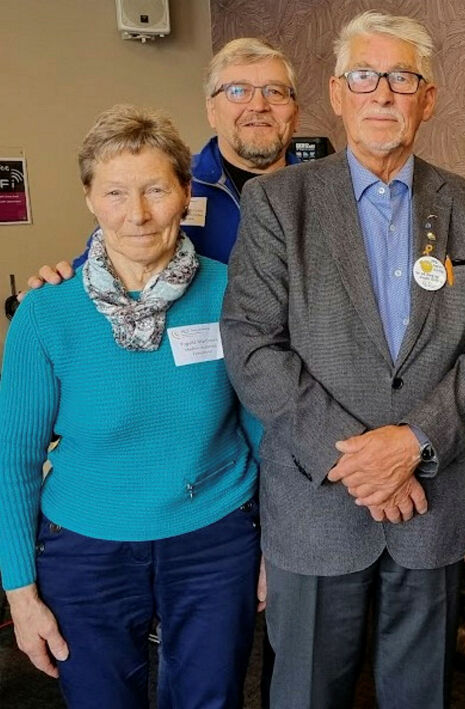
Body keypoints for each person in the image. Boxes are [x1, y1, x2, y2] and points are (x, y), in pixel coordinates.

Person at [219, 11, 465, 709]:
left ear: (429, 97)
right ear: (336, 91)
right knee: (304, 695)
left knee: (421, 696)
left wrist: (412, 443)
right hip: (318, 503)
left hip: (433, 501)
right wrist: (361, 460)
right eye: (365, 76)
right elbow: (252, 343)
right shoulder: (277, 203)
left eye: (402, 78)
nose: (383, 93)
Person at [0, 104, 260, 708]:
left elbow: (262, 427)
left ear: (184, 193)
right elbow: (12, 464)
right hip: (86, 551)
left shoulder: (232, 293)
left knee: (211, 699)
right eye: (115, 192)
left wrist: (273, 545)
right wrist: (20, 592)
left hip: (214, 539)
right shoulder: (47, 312)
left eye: (155, 190)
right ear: (90, 198)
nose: (138, 214)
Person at [24, 36, 302, 288]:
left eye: (275, 92)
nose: (258, 105)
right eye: (238, 91)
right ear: (211, 110)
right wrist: (57, 286)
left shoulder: (326, 193)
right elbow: (106, 261)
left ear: (295, 111)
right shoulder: (167, 182)